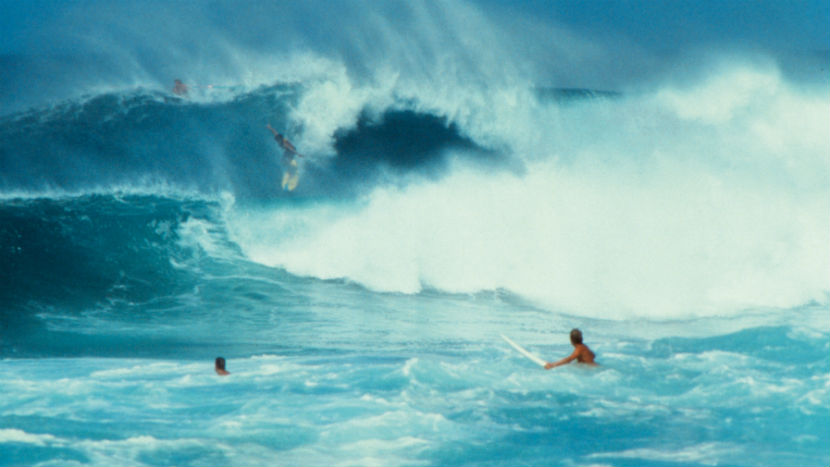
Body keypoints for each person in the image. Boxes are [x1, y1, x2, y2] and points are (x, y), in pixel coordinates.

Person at [266, 123, 304, 191]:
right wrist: (270, 127)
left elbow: (291, 148)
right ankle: (290, 168)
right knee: (283, 161)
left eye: (278, 139)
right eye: (277, 139)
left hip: (292, 151)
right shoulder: (278, 138)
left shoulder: (284, 142)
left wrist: (298, 154)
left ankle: (292, 170)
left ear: (280, 139)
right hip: (288, 151)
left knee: (286, 160)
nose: (277, 140)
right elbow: (275, 132)